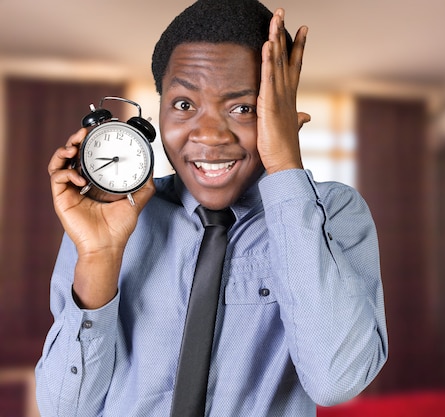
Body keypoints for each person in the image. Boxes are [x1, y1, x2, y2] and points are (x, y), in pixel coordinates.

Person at [36, 0, 388, 415]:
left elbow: (336, 380)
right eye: (184, 104)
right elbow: (65, 410)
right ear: (159, 108)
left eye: (244, 107)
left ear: (279, 112)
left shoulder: (333, 212)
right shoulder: (112, 211)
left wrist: (285, 167)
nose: (209, 135)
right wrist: (99, 257)